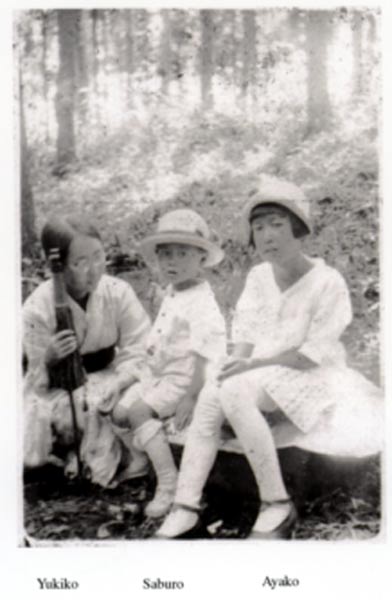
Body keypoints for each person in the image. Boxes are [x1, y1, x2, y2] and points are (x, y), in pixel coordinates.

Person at [156, 176, 383, 540]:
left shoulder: (328, 281)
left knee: (232, 390)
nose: (267, 236)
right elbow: (244, 338)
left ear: (298, 229)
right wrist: (235, 365)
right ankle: (186, 507)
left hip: (311, 374)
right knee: (217, 390)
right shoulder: (259, 276)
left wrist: (248, 368)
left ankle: (276, 503)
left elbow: (312, 356)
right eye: (258, 228)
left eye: (277, 225)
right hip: (261, 375)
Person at [100, 209, 227, 519]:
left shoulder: (201, 301)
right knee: (116, 410)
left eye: (182, 254)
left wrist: (191, 396)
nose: (173, 262)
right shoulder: (173, 292)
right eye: (166, 255)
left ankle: (169, 484)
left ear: (201, 259)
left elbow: (204, 352)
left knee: (139, 411)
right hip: (159, 373)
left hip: (185, 378)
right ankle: (143, 460)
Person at [23, 215, 151, 487]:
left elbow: (139, 347)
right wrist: (49, 358)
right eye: (80, 262)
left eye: (98, 256)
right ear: (56, 266)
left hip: (111, 375)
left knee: (124, 400)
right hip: (60, 389)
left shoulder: (118, 291)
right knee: (78, 410)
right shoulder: (38, 307)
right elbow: (35, 378)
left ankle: (98, 461)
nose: (94, 269)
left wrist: (121, 380)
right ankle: (75, 463)